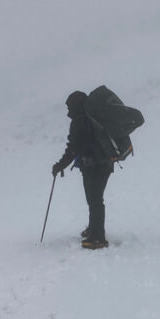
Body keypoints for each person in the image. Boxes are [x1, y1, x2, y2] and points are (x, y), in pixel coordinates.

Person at [52, 90, 114, 249]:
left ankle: (98, 237)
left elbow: (73, 148)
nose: (68, 112)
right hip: (104, 163)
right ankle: (94, 229)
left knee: (95, 200)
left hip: (94, 165)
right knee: (94, 199)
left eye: (69, 107)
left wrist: (60, 165)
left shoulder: (80, 121)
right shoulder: (91, 117)